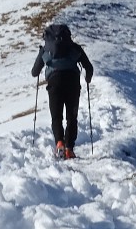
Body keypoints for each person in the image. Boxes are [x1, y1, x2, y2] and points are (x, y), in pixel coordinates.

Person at [32, 23, 93, 159]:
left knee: (56, 116)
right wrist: (87, 79)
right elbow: (89, 67)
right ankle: (69, 149)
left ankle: (59, 143)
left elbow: (34, 72)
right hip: (72, 83)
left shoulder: (45, 50)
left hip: (54, 83)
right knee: (72, 117)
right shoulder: (74, 48)